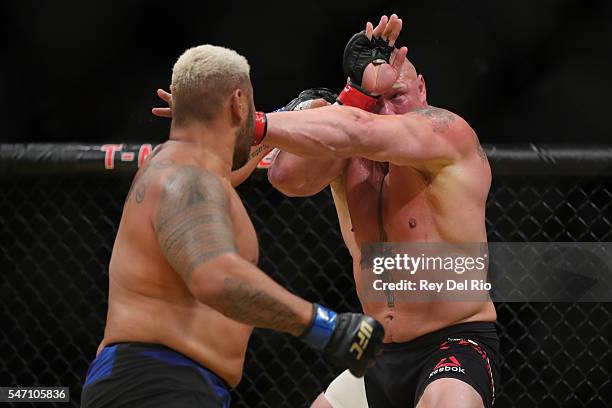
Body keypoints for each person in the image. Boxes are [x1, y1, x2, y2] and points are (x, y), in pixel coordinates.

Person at [81, 44, 384, 408]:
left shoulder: (186, 167)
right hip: (156, 383)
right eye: (252, 107)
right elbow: (216, 277)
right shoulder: (188, 178)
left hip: (167, 381)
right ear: (240, 104)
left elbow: (235, 154)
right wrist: (328, 327)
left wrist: (328, 105)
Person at [262, 15, 500, 408]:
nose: (387, 112)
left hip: (454, 341)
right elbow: (287, 177)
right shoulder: (348, 145)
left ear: (422, 89)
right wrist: (354, 96)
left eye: (398, 96)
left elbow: (363, 130)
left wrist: (269, 123)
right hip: (377, 354)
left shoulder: (446, 132)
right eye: (378, 100)